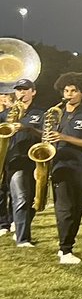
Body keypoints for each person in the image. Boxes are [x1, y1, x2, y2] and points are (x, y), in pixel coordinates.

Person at [47, 72, 82, 264]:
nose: (68, 94)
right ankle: (65, 250)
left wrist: (65, 138)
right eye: (66, 90)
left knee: (77, 208)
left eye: (73, 91)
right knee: (65, 208)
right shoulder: (54, 114)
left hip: (78, 166)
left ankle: (67, 245)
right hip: (58, 165)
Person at [5, 78, 45, 248]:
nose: (21, 92)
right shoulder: (5, 114)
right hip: (15, 161)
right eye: (19, 89)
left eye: (25, 89)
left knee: (34, 200)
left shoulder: (41, 113)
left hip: (36, 160)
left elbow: (46, 134)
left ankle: (20, 226)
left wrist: (28, 128)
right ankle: (23, 239)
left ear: (33, 92)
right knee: (20, 197)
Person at [0, 90, 15, 234]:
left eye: (5, 95)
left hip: (13, 156)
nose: (3, 98)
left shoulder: (13, 113)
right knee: (1, 190)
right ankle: (2, 223)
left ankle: (13, 219)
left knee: (13, 190)